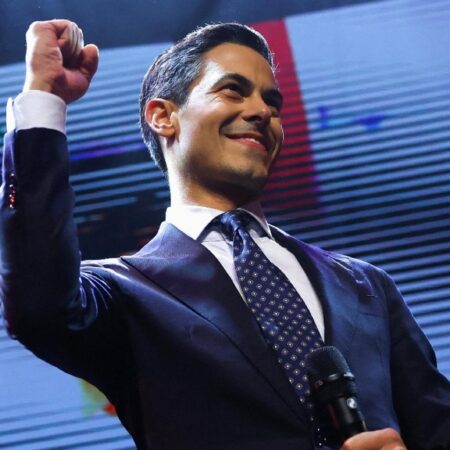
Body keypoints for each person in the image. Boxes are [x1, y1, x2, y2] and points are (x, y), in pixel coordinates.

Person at [1, 19, 449, 450]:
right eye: (233, 90)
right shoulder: (122, 292)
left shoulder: (366, 285)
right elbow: (39, 305)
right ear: (163, 116)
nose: (262, 112)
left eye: (273, 103)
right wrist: (44, 98)